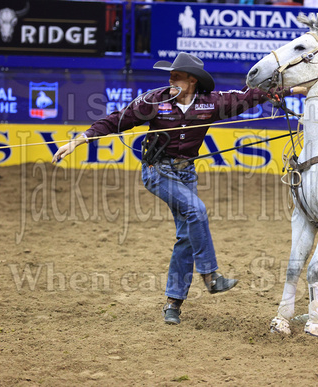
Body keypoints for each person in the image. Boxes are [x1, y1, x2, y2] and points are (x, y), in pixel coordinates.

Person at [52, 53, 277, 325]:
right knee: (196, 210)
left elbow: (248, 97)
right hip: (157, 172)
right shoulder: (153, 101)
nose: (171, 80)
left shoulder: (211, 103)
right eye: (171, 75)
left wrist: (285, 91)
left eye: (177, 76)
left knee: (186, 236)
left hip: (186, 174)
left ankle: (173, 303)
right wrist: (79, 140)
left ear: (192, 80)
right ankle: (210, 275)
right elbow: (116, 120)